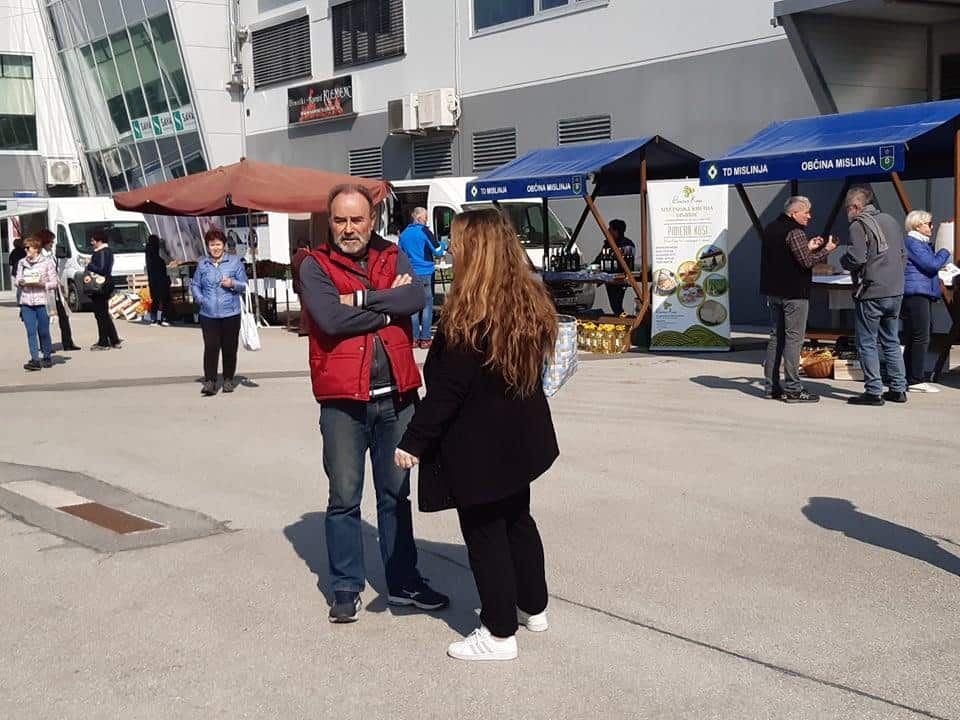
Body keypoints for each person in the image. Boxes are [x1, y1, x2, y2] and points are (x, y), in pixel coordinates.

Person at [395, 209, 560, 662]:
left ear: (477, 250)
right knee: (517, 520)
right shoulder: (526, 298)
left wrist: (413, 442)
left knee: (485, 532)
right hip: (520, 439)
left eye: (457, 242)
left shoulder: (471, 314)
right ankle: (533, 606)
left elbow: (448, 391)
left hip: (480, 445)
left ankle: (499, 632)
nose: (450, 249)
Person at [298, 184, 448, 624]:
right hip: (343, 403)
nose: (349, 229)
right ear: (330, 222)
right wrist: (387, 310)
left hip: (397, 399)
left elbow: (414, 298)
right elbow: (329, 318)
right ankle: (346, 586)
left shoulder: (392, 254)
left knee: (395, 496)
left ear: (372, 220)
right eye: (340, 220)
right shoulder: (315, 265)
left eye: (357, 219)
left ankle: (403, 582)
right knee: (344, 497)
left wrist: (361, 301)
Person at [759, 196, 836, 403]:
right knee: (794, 340)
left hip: (774, 292)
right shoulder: (795, 231)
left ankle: (771, 387)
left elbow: (786, 256)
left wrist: (808, 246)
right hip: (794, 293)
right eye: (806, 212)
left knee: (776, 338)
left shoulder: (771, 228)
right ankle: (793, 388)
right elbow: (806, 262)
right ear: (794, 213)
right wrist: (826, 250)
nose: (809, 216)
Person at [840, 186, 908, 406]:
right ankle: (898, 388)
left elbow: (858, 257)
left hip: (873, 291)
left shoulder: (858, 224)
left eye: (847, 208)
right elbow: (903, 254)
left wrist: (844, 261)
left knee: (867, 342)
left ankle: (873, 391)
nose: (847, 213)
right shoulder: (890, 220)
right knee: (891, 340)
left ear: (855, 207)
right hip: (895, 289)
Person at [190, 228, 248, 396]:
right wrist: (201, 299)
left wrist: (232, 284)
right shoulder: (203, 264)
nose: (215, 248)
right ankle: (210, 381)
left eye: (218, 244)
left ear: (224, 245)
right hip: (208, 314)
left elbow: (244, 285)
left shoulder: (235, 262)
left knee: (229, 348)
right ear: (208, 246)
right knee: (211, 347)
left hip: (231, 313)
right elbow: (195, 285)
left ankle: (228, 379)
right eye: (212, 245)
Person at [901, 210, 950, 393]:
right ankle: (916, 379)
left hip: (917, 292)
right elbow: (931, 265)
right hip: (917, 293)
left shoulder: (918, 243)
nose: (932, 227)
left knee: (915, 336)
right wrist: (944, 251)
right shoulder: (914, 243)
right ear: (918, 225)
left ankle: (907, 377)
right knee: (921, 337)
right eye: (929, 224)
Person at [399, 207, 446, 349]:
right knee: (427, 306)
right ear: (419, 218)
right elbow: (438, 251)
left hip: (411, 273)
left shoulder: (404, 234)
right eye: (426, 218)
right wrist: (443, 244)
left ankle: (413, 339)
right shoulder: (424, 231)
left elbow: (400, 255)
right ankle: (425, 339)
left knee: (413, 307)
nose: (427, 220)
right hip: (425, 272)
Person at [15, 237, 58, 371]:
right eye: (25, 248)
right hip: (26, 302)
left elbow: (54, 283)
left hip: (42, 301)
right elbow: (17, 280)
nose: (26, 250)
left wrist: (42, 284)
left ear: (36, 249)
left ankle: (47, 356)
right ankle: (35, 360)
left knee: (43, 331)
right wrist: (20, 282)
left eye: (28, 248)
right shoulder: (22, 262)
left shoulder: (46, 262)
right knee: (31, 331)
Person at [38, 229, 80, 351]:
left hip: (56, 289)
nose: (52, 244)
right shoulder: (40, 256)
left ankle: (68, 343)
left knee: (64, 316)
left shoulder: (51, 254)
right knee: (45, 319)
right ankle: (45, 345)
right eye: (51, 241)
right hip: (46, 290)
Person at [86, 230, 122, 351]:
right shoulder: (106, 251)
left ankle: (103, 342)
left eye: (93, 240)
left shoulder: (102, 252)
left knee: (100, 315)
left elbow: (102, 269)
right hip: (105, 284)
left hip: (101, 286)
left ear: (99, 240)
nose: (92, 243)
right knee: (104, 314)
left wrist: (89, 264)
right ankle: (114, 339)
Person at [594, 219, 635, 316]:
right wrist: (591, 267)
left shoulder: (627, 245)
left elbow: (626, 263)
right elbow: (599, 259)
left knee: (616, 305)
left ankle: (625, 321)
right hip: (609, 278)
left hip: (619, 279)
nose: (608, 231)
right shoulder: (608, 244)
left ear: (616, 231)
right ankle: (623, 320)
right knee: (615, 305)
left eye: (610, 229)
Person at [145, 235, 173, 326]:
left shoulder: (148, 253)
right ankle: (162, 318)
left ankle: (155, 319)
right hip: (160, 280)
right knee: (163, 300)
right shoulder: (157, 258)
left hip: (153, 280)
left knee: (156, 300)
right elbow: (162, 266)